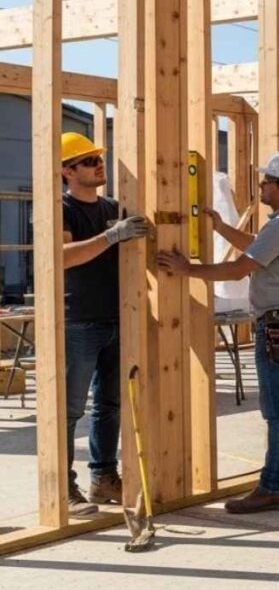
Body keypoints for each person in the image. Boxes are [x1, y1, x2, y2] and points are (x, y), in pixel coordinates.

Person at [156, 150, 279, 513]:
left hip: (277, 326)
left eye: (267, 181)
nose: (261, 185)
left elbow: (236, 271)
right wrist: (221, 228)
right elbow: (258, 248)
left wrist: (187, 270)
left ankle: (273, 486)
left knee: (277, 411)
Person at [61, 132, 149, 514]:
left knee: (110, 406)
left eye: (98, 158)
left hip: (117, 318)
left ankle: (103, 478)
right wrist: (112, 235)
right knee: (69, 409)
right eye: (87, 160)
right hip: (78, 320)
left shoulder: (112, 206)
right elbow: (63, 256)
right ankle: (63, 486)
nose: (99, 164)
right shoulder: (61, 209)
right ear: (67, 171)